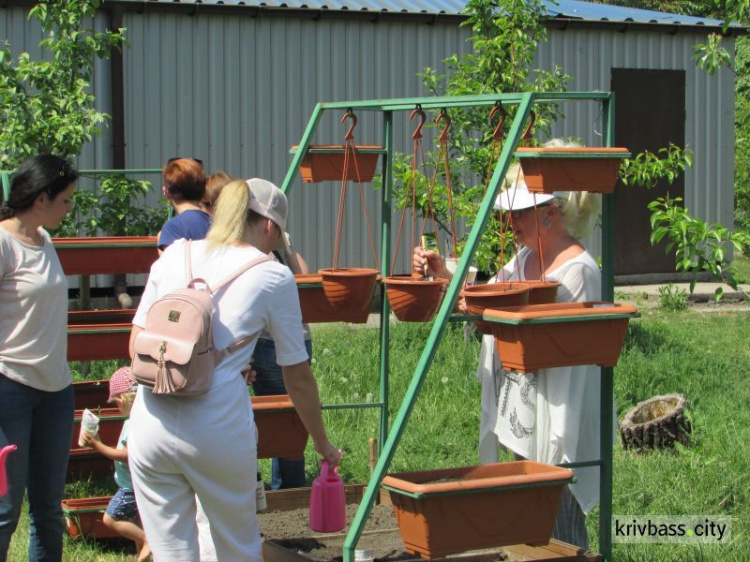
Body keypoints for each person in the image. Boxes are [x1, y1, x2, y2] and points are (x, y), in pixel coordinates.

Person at [127, 177, 340, 561]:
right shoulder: (273, 275)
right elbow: (297, 374)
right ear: (270, 226)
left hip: (150, 423)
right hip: (216, 429)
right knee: (237, 550)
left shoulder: (176, 253)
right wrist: (322, 443)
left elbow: (136, 345)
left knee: (171, 552)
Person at [412, 158, 602, 550]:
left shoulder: (578, 271)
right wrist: (443, 276)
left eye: (520, 212)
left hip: (556, 413)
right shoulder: (526, 258)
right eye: (510, 212)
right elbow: (486, 299)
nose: (510, 221)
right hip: (525, 407)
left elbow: (565, 355)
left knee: (559, 517)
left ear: (551, 214)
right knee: (527, 516)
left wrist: (504, 320)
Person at [0, 154, 79, 561]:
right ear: (41, 198)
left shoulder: (45, 240)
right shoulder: (2, 242)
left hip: (56, 391)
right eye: (65, 201)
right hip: (9, 389)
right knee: (5, 511)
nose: (69, 209)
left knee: (48, 510)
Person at [251, 232, 313, 489]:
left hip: (297, 338)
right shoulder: (251, 249)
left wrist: (286, 246)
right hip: (270, 342)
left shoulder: (278, 244)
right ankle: (292, 488)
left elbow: (305, 280)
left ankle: (285, 489)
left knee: (291, 417)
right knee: (287, 419)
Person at [81, 367, 150, 562]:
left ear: (123, 398)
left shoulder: (133, 424)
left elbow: (126, 455)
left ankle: (149, 541)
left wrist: (97, 445)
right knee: (139, 522)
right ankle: (144, 551)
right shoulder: (141, 419)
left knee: (111, 518)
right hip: (138, 484)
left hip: (129, 486)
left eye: (117, 401)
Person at [157, 158, 210, 250]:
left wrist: (160, 244)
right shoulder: (217, 222)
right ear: (203, 189)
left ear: (166, 192)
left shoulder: (173, 228)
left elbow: (171, 263)